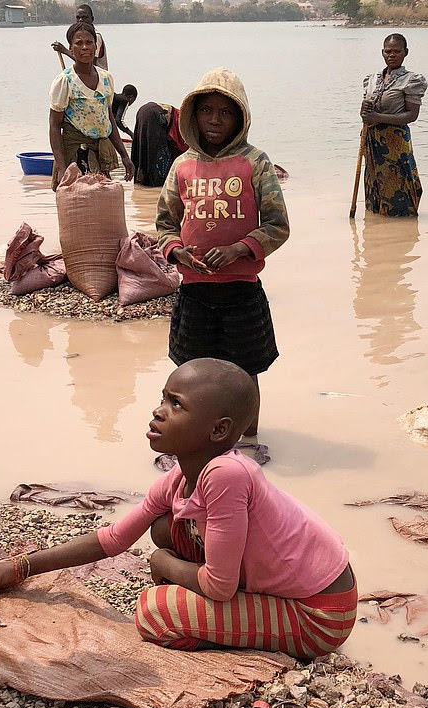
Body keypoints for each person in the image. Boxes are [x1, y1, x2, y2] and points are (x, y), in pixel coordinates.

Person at [0, 358, 358, 659]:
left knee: (154, 615)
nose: (158, 411)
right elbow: (114, 538)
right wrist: (19, 568)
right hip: (284, 586)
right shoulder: (183, 474)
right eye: (163, 398)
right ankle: (241, 618)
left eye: (176, 404)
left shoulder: (227, 474)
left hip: (321, 615)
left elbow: (220, 588)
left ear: (218, 430)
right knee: (164, 529)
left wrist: (163, 566)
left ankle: (254, 631)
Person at [156, 68, 289, 439]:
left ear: (240, 118)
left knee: (245, 372)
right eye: (206, 111)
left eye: (225, 112)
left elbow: (278, 225)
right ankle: (191, 442)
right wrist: (177, 252)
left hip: (242, 292)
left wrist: (237, 249)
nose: (215, 120)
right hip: (194, 293)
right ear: (193, 116)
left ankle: (249, 443)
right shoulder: (182, 165)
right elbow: (165, 223)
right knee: (189, 373)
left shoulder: (256, 163)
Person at [48, 21, 133, 190]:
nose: (85, 47)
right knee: (77, 205)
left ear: (96, 46)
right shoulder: (65, 81)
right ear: (71, 49)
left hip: (100, 153)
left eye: (89, 42)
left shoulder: (106, 78)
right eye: (79, 43)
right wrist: (62, 167)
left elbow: (108, 120)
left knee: (101, 204)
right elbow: (54, 126)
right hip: (75, 153)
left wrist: (124, 155)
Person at [360, 33, 427, 217]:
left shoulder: (411, 80)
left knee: (399, 185)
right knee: (375, 185)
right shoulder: (372, 79)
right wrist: (364, 111)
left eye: (397, 51)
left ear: (405, 53)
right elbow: (366, 115)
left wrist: (378, 117)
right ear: (382, 53)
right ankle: (376, 226)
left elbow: (411, 115)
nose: (392, 55)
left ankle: (403, 231)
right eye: (388, 51)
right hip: (372, 142)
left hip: (395, 144)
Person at [131, 100, 188, 187]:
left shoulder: (185, 118)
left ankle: (142, 186)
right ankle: (155, 187)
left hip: (144, 111)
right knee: (158, 162)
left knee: (142, 152)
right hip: (156, 115)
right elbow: (182, 149)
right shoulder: (187, 126)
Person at [51, 4, 107, 70]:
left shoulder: (96, 37)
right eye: (78, 18)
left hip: (99, 78)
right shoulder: (76, 36)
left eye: (84, 17)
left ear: (92, 19)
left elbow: (89, 62)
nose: (80, 20)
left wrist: (64, 51)